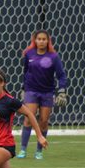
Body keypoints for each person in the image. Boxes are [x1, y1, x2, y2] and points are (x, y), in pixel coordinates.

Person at [18, 30, 68, 160]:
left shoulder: (53, 57)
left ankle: (39, 151)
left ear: (48, 41)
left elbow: (61, 75)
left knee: (44, 121)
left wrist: (61, 91)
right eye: (39, 39)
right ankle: (23, 149)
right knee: (29, 118)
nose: (41, 41)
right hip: (31, 91)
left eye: (44, 39)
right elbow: (25, 72)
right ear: (35, 41)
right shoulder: (29, 54)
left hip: (47, 92)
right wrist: (23, 88)